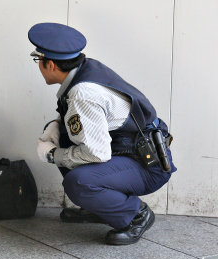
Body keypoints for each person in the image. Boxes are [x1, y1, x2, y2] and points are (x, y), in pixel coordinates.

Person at [28, 22, 177, 245]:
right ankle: (102, 208)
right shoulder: (84, 70)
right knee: (61, 134)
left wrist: (52, 155)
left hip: (147, 165)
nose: (38, 65)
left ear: (50, 65)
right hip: (129, 153)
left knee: (78, 182)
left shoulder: (82, 93)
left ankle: (136, 214)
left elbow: (96, 153)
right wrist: (56, 127)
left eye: (38, 61)